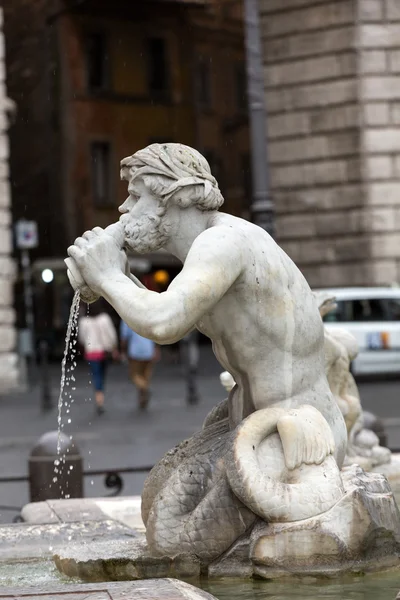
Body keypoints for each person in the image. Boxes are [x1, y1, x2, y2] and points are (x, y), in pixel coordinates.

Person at [67, 142, 347, 470]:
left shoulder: (224, 242)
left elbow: (162, 323)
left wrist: (106, 276)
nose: (123, 208)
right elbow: (162, 309)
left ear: (181, 195)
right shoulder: (207, 250)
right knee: (168, 492)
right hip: (258, 427)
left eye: (136, 196)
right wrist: (117, 276)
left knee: (185, 512)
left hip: (297, 439)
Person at [78, 299, 118, 414]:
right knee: (102, 374)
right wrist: (114, 348)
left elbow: (82, 338)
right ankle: (100, 396)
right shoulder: (104, 318)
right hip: (104, 351)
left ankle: (98, 397)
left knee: (96, 375)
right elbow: (111, 335)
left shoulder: (84, 321)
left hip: (91, 352)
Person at [120, 320, 157, 409]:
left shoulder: (127, 316)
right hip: (148, 350)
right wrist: (156, 348)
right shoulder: (147, 315)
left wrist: (123, 351)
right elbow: (154, 333)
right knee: (145, 376)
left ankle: (144, 388)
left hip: (135, 352)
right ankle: (142, 398)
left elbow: (124, 337)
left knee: (135, 375)